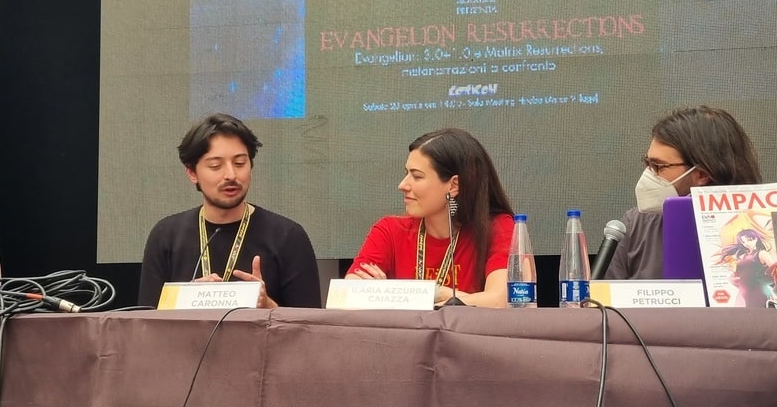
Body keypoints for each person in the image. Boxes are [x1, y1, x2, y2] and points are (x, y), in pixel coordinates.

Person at [138, 113, 322, 309]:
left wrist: (268, 306)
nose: (231, 175)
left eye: (240, 163)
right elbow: (145, 321)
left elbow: (309, 324)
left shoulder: (288, 236)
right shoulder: (166, 236)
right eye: (215, 166)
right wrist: (185, 301)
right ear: (192, 173)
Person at [347, 128, 515, 307]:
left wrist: (394, 294)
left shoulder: (498, 228)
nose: (402, 185)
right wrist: (444, 297)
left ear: (453, 185)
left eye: (417, 176)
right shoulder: (389, 230)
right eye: (406, 173)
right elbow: (348, 293)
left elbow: (500, 301)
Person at [599, 105, 762, 279]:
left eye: (658, 166)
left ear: (702, 174)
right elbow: (603, 294)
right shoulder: (636, 224)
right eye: (648, 163)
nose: (648, 174)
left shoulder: (760, 223)